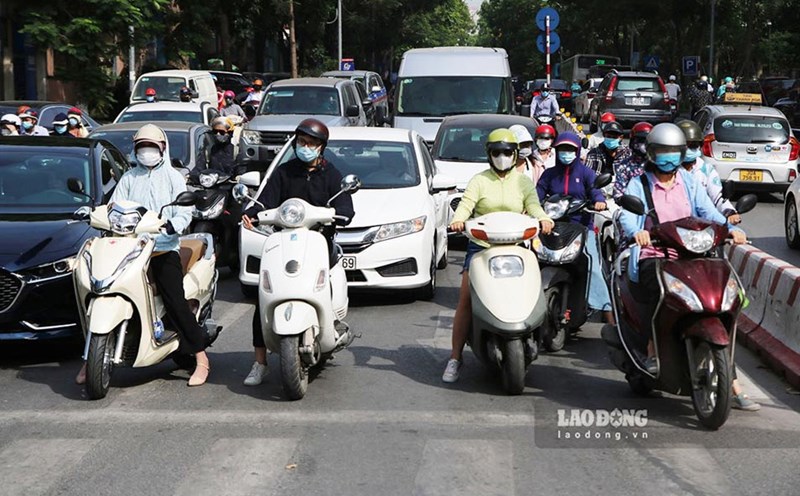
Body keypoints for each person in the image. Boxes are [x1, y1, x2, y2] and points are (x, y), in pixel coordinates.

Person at [75, 124, 212, 387]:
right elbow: (113, 207)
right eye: (142, 147)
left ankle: (201, 357)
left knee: (174, 299)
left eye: (152, 147)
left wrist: (174, 225)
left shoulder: (173, 178)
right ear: (135, 150)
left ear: (162, 148)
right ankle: (89, 357)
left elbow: (185, 210)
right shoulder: (128, 178)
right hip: (128, 248)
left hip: (161, 249)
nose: (147, 152)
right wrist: (96, 215)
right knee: (97, 289)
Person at [240, 118, 355, 386]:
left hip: (318, 240)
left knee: (320, 284)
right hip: (284, 241)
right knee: (264, 293)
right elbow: (265, 200)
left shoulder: (331, 174)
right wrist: (251, 212)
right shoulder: (285, 171)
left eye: (312, 143)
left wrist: (341, 215)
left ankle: (330, 327)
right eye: (301, 142)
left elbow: (345, 208)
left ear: (321, 147)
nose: (306, 147)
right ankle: (259, 362)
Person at [442, 129, 554, 383]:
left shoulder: (523, 182)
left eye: (506, 152)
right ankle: (455, 357)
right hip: (482, 247)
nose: (501, 157)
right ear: (489, 155)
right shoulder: (479, 180)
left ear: (515, 154)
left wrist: (544, 218)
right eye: (496, 152)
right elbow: (466, 205)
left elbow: (534, 205)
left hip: (516, 247)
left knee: (534, 290)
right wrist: (459, 220)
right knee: (465, 300)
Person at [537, 132, 614, 325]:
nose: (566, 153)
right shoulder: (549, 174)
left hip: (581, 227)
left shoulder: (586, 173)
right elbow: (537, 193)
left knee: (592, 266)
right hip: (553, 227)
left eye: (570, 149)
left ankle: (609, 315)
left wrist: (599, 202)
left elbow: (596, 191)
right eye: (562, 149)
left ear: (577, 151)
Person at [677, 120, 740, 224]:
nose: (688, 149)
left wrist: (730, 212)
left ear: (700, 146)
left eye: (693, 145)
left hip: (703, 227)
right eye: (684, 146)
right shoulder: (669, 170)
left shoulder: (706, 170)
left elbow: (717, 198)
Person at [612, 121, 652, 200]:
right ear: (632, 142)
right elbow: (618, 194)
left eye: (646, 141)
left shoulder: (659, 164)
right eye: (640, 140)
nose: (643, 144)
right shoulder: (624, 166)